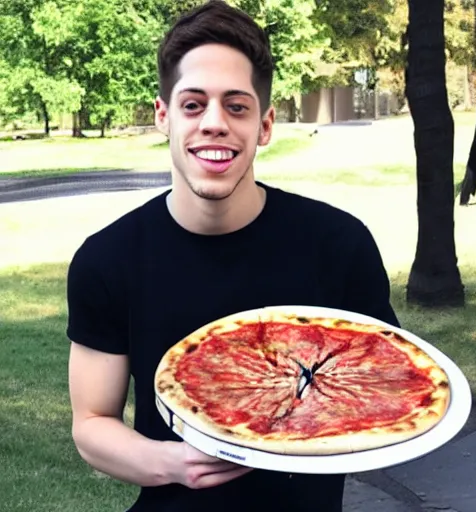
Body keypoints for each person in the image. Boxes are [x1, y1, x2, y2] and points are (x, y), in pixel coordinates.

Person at [66, 1, 400, 511]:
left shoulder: (338, 244)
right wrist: (175, 464)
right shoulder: (107, 260)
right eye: (193, 104)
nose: (214, 123)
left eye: (236, 106)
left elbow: (387, 386)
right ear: (164, 116)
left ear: (265, 125)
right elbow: (92, 423)